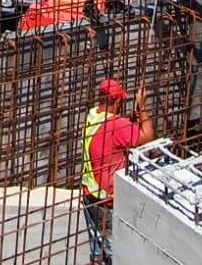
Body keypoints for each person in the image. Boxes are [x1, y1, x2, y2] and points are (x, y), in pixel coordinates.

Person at [80, 78, 153, 265]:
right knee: (115, 251)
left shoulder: (92, 116)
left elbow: (114, 135)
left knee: (97, 246)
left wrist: (130, 120)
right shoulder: (117, 125)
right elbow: (147, 137)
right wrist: (142, 108)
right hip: (108, 199)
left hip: (89, 193)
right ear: (118, 101)